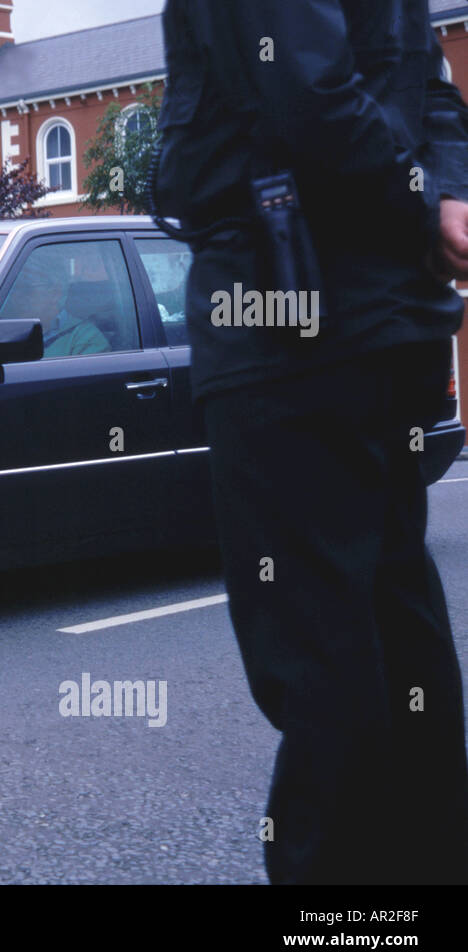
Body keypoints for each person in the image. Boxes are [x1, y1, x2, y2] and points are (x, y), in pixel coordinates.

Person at [154, 0, 468, 883]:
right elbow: (437, 94)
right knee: (394, 622)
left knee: (322, 655)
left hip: (288, 321)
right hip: (388, 325)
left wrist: (418, 207)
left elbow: (306, 94)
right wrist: (441, 198)